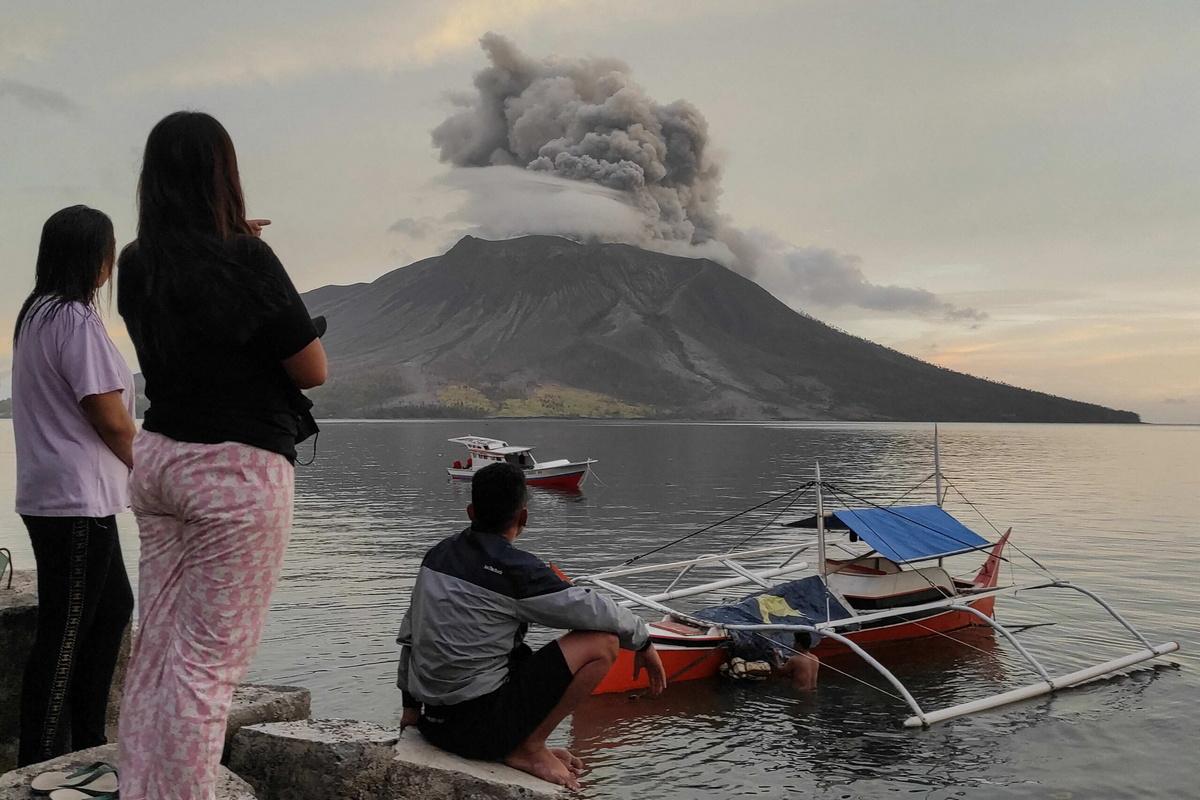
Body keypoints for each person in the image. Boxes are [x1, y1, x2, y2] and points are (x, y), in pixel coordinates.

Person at [115, 111, 327, 800]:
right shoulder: (248, 260)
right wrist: (247, 251)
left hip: (160, 461)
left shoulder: (136, 261)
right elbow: (311, 368)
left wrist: (234, 249)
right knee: (207, 667)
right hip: (235, 472)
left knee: (157, 652)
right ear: (222, 174)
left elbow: (190, 304)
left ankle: (142, 789)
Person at [397, 463, 667, 790]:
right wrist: (644, 642)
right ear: (523, 517)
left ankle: (521, 741)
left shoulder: (436, 558)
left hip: (433, 724)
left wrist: (410, 712)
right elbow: (594, 610)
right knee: (603, 643)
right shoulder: (514, 571)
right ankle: (530, 747)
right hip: (477, 733)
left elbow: (410, 635)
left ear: (470, 512)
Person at [11, 205, 136, 766]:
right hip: (75, 497)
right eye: (108, 252)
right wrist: (151, 468)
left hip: (58, 493)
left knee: (111, 610)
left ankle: (87, 743)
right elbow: (107, 415)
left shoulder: (36, 314)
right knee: (67, 630)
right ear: (95, 258)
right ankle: (40, 762)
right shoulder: (76, 320)